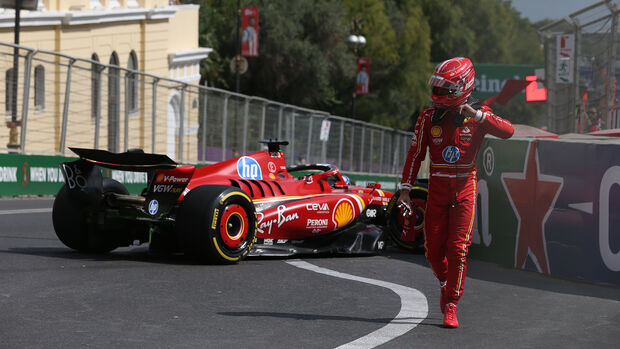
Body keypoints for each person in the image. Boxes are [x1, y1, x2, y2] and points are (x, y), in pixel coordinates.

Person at [397, 57, 514, 328]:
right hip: (436, 189)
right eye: (437, 86)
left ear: (462, 88)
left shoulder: (479, 115)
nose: (438, 93)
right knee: (433, 251)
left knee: (458, 249)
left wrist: (475, 114)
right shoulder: (427, 117)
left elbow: (508, 131)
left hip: (465, 189)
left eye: (445, 89)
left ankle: (451, 304)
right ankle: (445, 282)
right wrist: (405, 189)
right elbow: (415, 153)